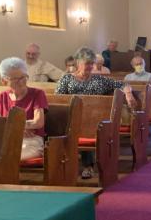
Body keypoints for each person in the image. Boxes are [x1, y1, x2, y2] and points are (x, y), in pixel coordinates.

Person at [56, 47, 136, 179]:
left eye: (91, 63)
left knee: (86, 126)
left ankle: (88, 167)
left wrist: (128, 94)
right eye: (87, 63)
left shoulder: (99, 80)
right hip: (71, 117)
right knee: (69, 125)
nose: (90, 66)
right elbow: (59, 100)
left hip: (93, 119)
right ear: (78, 63)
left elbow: (123, 84)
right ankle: (61, 164)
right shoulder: (66, 79)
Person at [0, 57, 48, 161]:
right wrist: (17, 129)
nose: (22, 82)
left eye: (23, 77)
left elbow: (39, 122)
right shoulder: (3, 97)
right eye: (16, 79)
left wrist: (15, 127)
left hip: (31, 141)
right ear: (4, 81)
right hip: (7, 140)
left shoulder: (38, 94)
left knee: (9, 156)